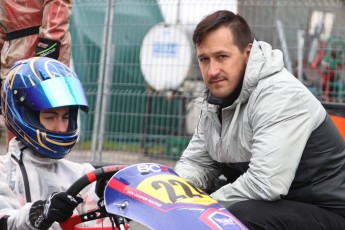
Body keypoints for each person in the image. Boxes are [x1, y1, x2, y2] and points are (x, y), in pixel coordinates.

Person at [174, 10, 345, 229]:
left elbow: (265, 184)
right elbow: (196, 163)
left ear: (248, 52)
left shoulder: (279, 94)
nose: (212, 70)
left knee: (239, 215)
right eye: (204, 59)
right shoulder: (215, 101)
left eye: (222, 57)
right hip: (283, 206)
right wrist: (173, 197)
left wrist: (201, 209)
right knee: (199, 197)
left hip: (328, 212)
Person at [0, 57, 99, 229]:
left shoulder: (84, 174)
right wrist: (40, 212)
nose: (61, 128)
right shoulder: (3, 173)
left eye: (66, 117)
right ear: (24, 115)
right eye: (50, 117)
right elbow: (6, 221)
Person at [0, 0, 73, 143]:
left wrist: (49, 45)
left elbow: (57, 3)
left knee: (49, 113)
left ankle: (48, 161)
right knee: (15, 117)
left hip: (41, 43)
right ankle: (20, 162)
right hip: (12, 49)